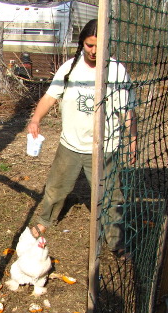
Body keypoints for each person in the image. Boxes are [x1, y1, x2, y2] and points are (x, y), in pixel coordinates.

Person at [27, 19, 137, 256]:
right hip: (71, 144)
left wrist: (134, 138)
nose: (94, 51)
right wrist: (35, 119)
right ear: (82, 43)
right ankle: (46, 220)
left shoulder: (116, 71)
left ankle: (116, 241)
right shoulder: (69, 68)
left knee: (111, 196)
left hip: (105, 147)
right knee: (56, 187)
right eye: (89, 45)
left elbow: (127, 110)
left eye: (99, 46)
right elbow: (49, 97)